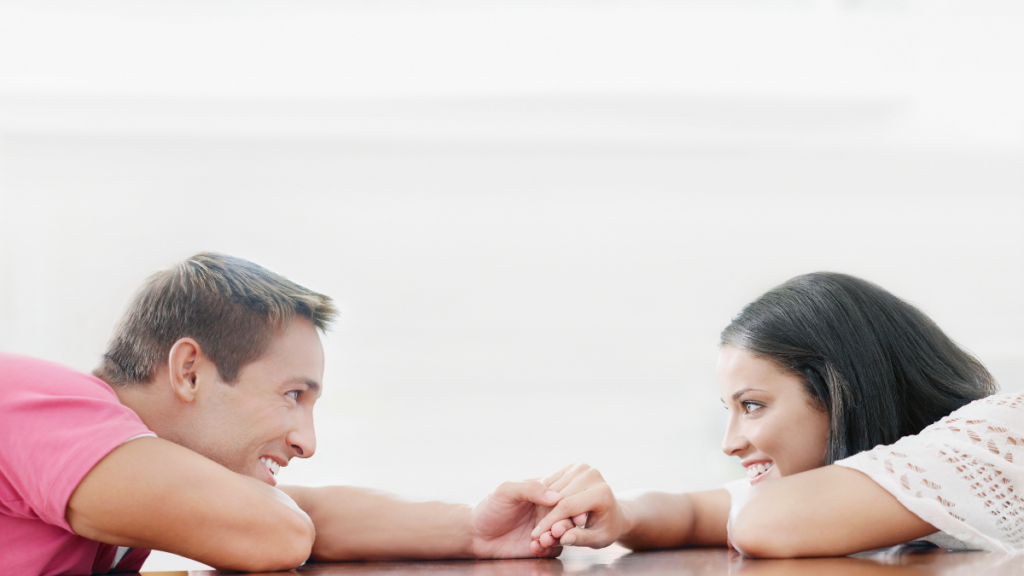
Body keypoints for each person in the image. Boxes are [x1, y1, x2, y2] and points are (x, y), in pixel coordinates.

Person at [0, 253, 596, 575]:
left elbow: (301, 517)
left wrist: (474, 531)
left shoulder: (119, 465)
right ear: (189, 371)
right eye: (292, 395)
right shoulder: (36, 402)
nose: (306, 442)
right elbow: (273, 532)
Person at [529, 273, 1024, 557]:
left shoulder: (999, 429)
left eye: (752, 406)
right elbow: (694, 512)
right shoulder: (874, 485)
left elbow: (763, 521)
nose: (729, 443)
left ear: (840, 390)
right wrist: (619, 513)